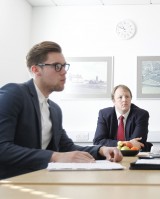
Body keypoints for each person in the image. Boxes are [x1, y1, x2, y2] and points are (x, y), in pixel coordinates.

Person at [0, 41, 122, 180]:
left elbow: (66, 147)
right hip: (10, 184)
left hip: (41, 181)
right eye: (57, 66)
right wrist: (55, 156)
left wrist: (101, 150)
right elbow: (2, 148)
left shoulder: (55, 110)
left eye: (64, 66)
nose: (64, 71)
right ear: (36, 70)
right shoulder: (14, 94)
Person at [93, 85, 151, 151]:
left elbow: (138, 143)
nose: (124, 100)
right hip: (111, 155)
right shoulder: (104, 114)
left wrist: (124, 144)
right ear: (113, 101)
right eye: (120, 97)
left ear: (131, 99)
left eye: (127, 97)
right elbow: (98, 141)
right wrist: (125, 143)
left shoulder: (141, 114)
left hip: (134, 155)